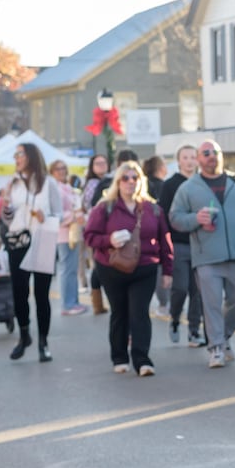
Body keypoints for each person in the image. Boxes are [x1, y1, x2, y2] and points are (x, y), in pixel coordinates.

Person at [167, 139, 235, 368]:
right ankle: (217, 347)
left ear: (221, 156)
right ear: (200, 159)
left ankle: (224, 336)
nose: (211, 156)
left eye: (215, 152)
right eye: (206, 153)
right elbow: (174, 217)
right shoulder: (188, 187)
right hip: (206, 256)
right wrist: (195, 219)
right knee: (210, 304)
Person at [84, 161, 174, 376]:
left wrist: (168, 270)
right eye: (125, 178)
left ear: (141, 181)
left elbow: (165, 240)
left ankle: (142, 360)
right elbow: (89, 236)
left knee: (140, 313)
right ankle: (120, 356)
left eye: (135, 178)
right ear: (118, 182)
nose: (130, 182)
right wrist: (109, 240)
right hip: (112, 267)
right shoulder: (105, 208)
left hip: (145, 268)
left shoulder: (153, 209)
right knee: (120, 312)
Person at [0, 141, 63, 362]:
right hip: (19, 240)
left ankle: (43, 342)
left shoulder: (48, 183)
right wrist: (6, 203)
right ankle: (24, 334)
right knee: (19, 292)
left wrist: (47, 218)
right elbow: (6, 219)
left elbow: (59, 214)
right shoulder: (13, 184)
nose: (16, 158)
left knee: (42, 294)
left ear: (31, 157)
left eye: (20, 154)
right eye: (15, 154)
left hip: (43, 238)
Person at [157, 144, 204, 345]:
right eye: (185, 157)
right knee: (181, 288)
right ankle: (175, 319)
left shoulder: (203, 184)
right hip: (178, 243)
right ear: (179, 161)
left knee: (198, 290)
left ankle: (194, 330)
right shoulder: (170, 185)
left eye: (193, 157)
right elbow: (164, 216)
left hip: (201, 243)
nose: (190, 161)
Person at [50, 159, 87, 316]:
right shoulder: (54, 188)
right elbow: (54, 213)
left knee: (72, 268)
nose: (61, 171)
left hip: (74, 231)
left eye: (63, 168)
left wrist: (78, 214)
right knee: (66, 268)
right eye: (57, 169)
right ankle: (68, 303)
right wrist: (72, 216)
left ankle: (73, 301)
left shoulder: (67, 188)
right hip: (64, 233)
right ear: (52, 171)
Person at [80, 154, 111, 315]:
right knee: (98, 264)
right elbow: (89, 205)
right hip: (97, 227)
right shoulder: (93, 184)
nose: (101, 166)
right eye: (97, 163)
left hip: (108, 228)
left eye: (103, 162)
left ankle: (98, 302)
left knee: (101, 264)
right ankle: (97, 302)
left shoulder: (110, 179)